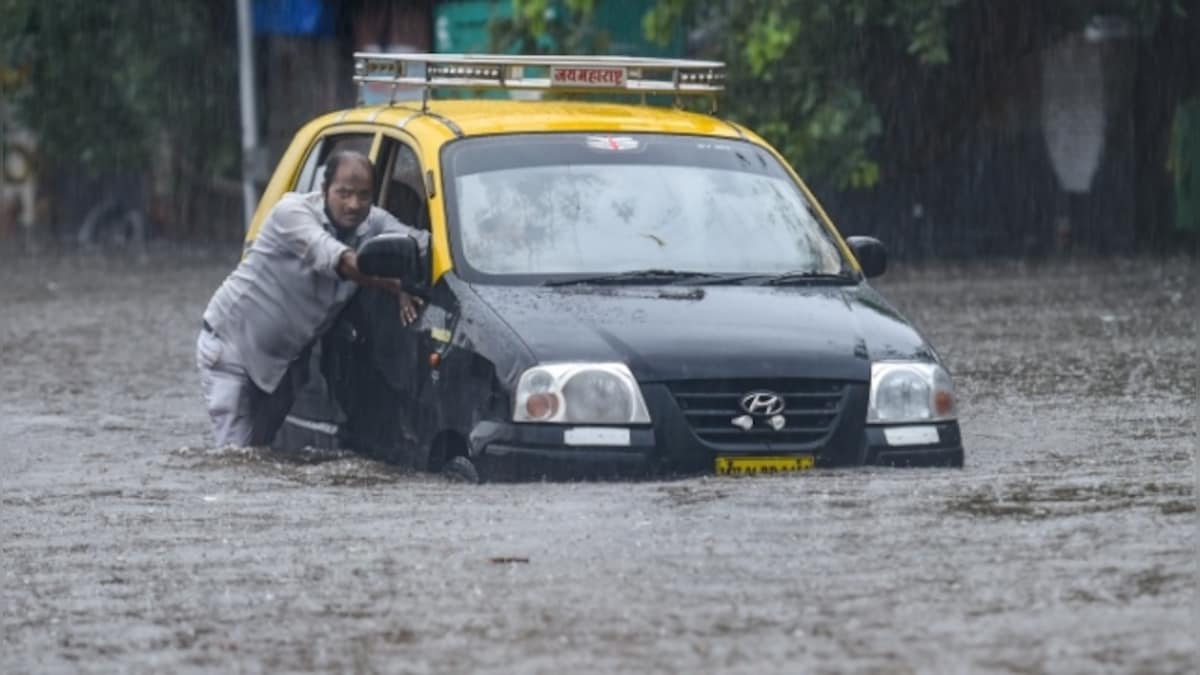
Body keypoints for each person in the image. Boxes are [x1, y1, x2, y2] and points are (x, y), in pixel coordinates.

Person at [196, 150, 427, 447]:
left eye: (364, 195)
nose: (354, 205)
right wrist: (395, 284)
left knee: (261, 456)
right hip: (232, 349)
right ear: (324, 189)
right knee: (235, 455)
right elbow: (341, 262)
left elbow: (423, 245)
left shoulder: (374, 223)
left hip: (285, 364)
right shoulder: (291, 213)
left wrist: (412, 274)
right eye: (343, 193)